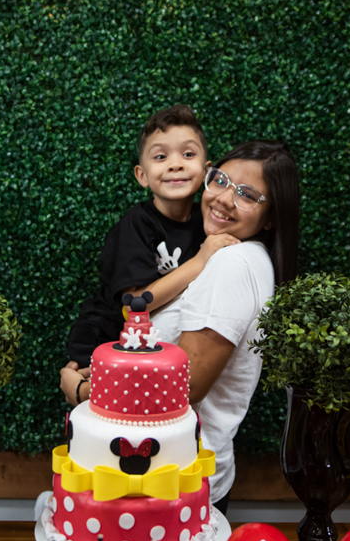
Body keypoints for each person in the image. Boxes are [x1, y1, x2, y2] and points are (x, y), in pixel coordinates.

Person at [62, 140, 301, 513]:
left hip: (175, 480)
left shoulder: (232, 265)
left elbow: (183, 388)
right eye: (220, 180)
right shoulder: (228, 255)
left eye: (247, 195)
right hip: (163, 470)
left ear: (270, 217)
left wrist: (85, 393)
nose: (224, 198)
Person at [64, 104, 240, 369]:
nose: (176, 165)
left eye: (188, 154)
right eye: (160, 157)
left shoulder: (207, 220)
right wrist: (200, 260)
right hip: (104, 339)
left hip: (151, 344)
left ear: (207, 171)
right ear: (142, 176)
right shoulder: (137, 224)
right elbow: (134, 306)